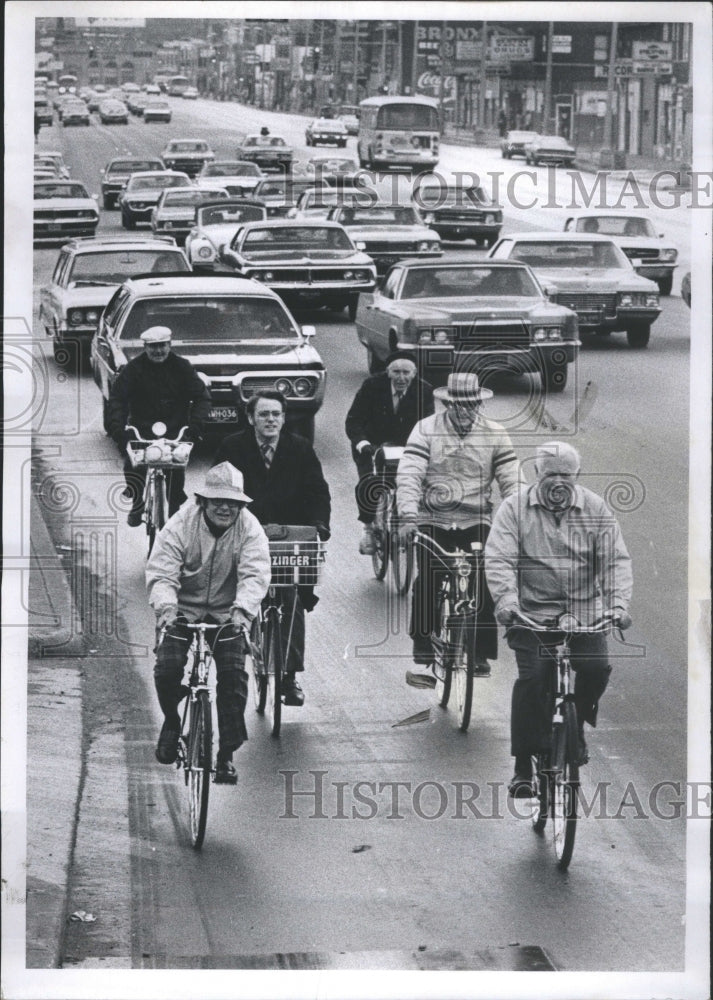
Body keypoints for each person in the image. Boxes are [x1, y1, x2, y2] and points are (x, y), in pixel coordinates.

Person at [484, 441, 633, 798]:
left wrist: (617, 605)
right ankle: (522, 766)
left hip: (584, 614)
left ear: (577, 476)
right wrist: (507, 601)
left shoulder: (595, 509)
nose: (559, 482)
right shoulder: (513, 509)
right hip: (531, 613)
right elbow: (500, 558)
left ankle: (575, 727)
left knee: (596, 668)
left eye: (567, 475)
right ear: (538, 474)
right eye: (551, 474)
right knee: (533, 679)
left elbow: (614, 561)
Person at [146, 462, 271, 784]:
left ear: (241, 505)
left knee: (233, 677)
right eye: (218, 501)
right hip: (182, 609)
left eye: (232, 502)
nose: (225, 508)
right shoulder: (179, 524)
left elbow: (255, 573)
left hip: (228, 611)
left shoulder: (250, 528)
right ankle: (173, 721)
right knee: (167, 668)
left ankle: (226, 755)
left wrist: (243, 610)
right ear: (203, 501)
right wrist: (166, 608)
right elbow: (161, 571)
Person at [397, 371, 522, 685]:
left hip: (476, 518)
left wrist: (521, 521)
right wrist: (408, 517)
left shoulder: (495, 433)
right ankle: (423, 642)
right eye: (458, 405)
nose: (465, 411)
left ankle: (478, 653)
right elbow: (409, 475)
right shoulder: (425, 430)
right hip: (432, 518)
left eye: (471, 405)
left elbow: (512, 482)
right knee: (427, 578)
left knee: (484, 579)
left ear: (479, 403)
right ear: (446, 404)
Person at [212, 391, 331, 707]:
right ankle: (234, 667)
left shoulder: (300, 448)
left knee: (291, 599)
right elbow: (218, 493)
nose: (271, 420)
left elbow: (318, 490)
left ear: (284, 417)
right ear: (251, 418)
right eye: (264, 414)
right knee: (236, 597)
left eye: (276, 414)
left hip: (287, 535)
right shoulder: (232, 448)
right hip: (246, 533)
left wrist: (320, 524)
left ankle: (289, 678)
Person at [106, 326, 211, 526]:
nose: (158, 351)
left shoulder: (182, 367)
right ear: (145, 347)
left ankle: (172, 515)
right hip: (142, 430)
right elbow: (117, 398)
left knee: (176, 470)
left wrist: (194, 427)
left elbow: (202, 398)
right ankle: (137, 503)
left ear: (169, 345)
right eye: (153, 347)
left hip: (175, 431)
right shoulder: (134, 369)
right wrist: (118, 428)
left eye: (162, 346)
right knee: (133, 464)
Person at [345, 350, 434, 555]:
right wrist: (363, 444)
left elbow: (427, 424)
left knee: (417, 483)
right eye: (396, 372)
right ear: (388, 372)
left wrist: (423, 447)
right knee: (369, 482)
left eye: (406, 372)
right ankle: (368, 527)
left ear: (414, 373)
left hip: (407, 446)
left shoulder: (424, 390)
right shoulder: (371, 386)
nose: (401, 377)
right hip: (372, 445)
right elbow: (354, 420)